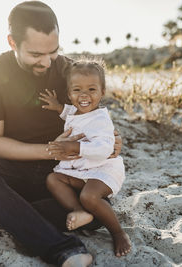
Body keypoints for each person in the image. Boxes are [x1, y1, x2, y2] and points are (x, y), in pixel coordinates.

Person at [0, 1, 122, 267]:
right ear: (12, 42)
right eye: (36, 54)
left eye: (53, 52)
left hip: (63, 176)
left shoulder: (69, 70)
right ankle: (64, 250)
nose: (47, 62)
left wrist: (112, 141)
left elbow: (94, 118)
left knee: (99, 210)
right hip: (13, 174)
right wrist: (52, 148)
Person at [39, 59, 131, 257]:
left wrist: (74, 146)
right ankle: (78, 210)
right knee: (53, 179)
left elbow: (104, 149)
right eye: (77, 90)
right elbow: (71, 112)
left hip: (103, 169)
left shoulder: (101, 119)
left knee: (89, 196)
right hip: (81, 169)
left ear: (102, 91)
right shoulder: (76, 109)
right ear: (69, 92)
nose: (84, 96)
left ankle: (117, 232)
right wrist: (58, 107)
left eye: (91, 89)